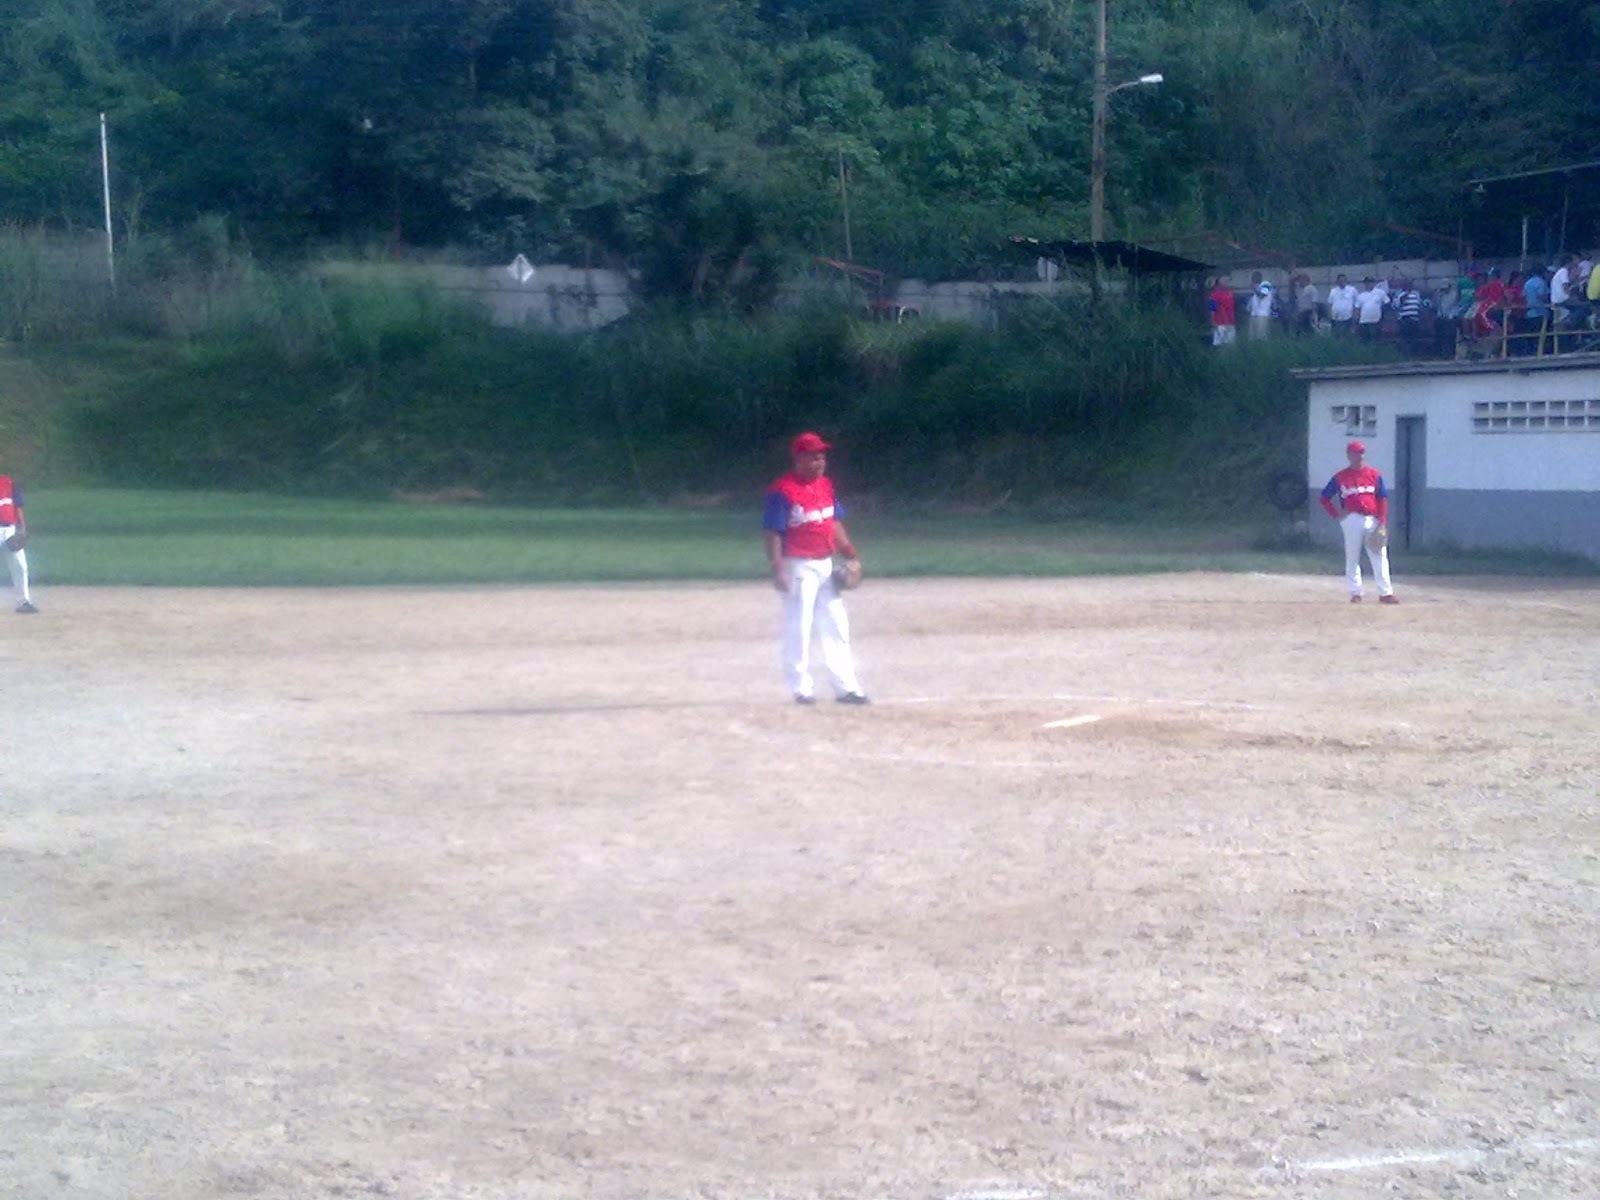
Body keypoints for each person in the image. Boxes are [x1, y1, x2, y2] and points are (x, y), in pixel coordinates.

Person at [762, 431, 868, 705]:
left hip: (825, 564)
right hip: (797, 565)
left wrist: (851, 555)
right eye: (814, 456)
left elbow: (834, 523)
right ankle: (801, 688)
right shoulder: (782, 491)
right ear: (799, 459)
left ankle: (846, 687)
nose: (821, 461)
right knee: (799, 627)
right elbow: (773, 532)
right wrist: (777, 567)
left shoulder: (826, 485)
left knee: (836, 626)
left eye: (822, 456)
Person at [1319, 440, 1397, 604]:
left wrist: (1382, 521)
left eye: (1361, 452)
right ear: (1349, 455)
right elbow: (1324, 498)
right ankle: (1356, 592)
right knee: (1352, 556)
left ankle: (1385, 593)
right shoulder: (1340, 477)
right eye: (1356, 453)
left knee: (1379, 554)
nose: (1360, 456)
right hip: (1351, 519)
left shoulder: (1374, 475)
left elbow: (1382, 499)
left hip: (1372, 518)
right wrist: (1337, 515)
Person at [0, 467, 38, 614]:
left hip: (10, 529)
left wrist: (22, 526)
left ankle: (23, 602)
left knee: (20, 566)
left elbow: (18, 505)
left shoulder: (8, 483)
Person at [1391, 277, 1424, 355]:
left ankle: (1413, 354)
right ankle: (1406, 354)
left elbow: (1420, 305)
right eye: (1406, 283)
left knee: (1414, 338)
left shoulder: (1416, 294)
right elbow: (1395, 306)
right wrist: (1404, 296)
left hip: (1415, 319)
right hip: (1405, 320)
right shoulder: (1399, 294)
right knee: (1406, 339)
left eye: (1410, 283)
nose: (1409, 285)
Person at [1207, 276, 1237, 346]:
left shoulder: (1230, 293)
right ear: (1219, 283)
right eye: (1225, 281)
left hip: (1230, 322)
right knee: (1219, 343)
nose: (1227, 283)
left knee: (1230, 344)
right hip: (1220, 323)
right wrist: (1213, 321)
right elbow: (1212, 309)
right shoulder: (1214, 295)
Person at [1354, 277, 1385, 342]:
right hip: (1364, 322)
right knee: (1365, 340)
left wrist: (1383, 318)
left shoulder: (1380, 293)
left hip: (1376, 321)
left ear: (1373, 283)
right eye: (1367, 282)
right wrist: (1356, 320)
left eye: (1371, 282)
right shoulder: (1360, 295)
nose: (1369, 284)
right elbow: (1357, 309)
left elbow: (1386, 304)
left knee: (1376, 340)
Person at [1247, 273, 1276, 340]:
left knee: (1262, 335)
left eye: (1255, 277)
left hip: (1263, 314)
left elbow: (1261, 296)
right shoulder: (1257, 288)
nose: (1253, 280)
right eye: (1252, 278)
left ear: (1260, 277)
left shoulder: (1266, 285)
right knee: (1252, 336)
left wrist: (1254, 289)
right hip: (1254, 314)